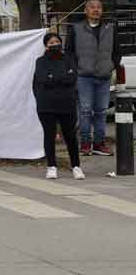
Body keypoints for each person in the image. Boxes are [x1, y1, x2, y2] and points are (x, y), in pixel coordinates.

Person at [66, 0, 122, 156]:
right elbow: (69, 52)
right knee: (84, 111)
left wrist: (112, 65)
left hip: (104, 77)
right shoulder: (76, 29)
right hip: (84, 77)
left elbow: (117, 51)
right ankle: (85, 144)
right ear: (86, 10)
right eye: (92, 7)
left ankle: (99, 144)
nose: (96, 10)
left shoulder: (110, 28)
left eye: (99, 7)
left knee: (101, 111)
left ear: (102, 10)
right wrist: (75, 70)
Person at [33, 33, 84, 180]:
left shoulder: (69, 59)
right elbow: (43, 79)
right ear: (46, 45)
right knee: (49, 136)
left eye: (57, 41)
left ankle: (76, 166)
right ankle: (51, 166)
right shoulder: (40, 61)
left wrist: (53, 77)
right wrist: (61, 77)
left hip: (67, 103)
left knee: (70, 136)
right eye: (51, 42)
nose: (54, 44)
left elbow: (72, 78)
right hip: (46, 104)